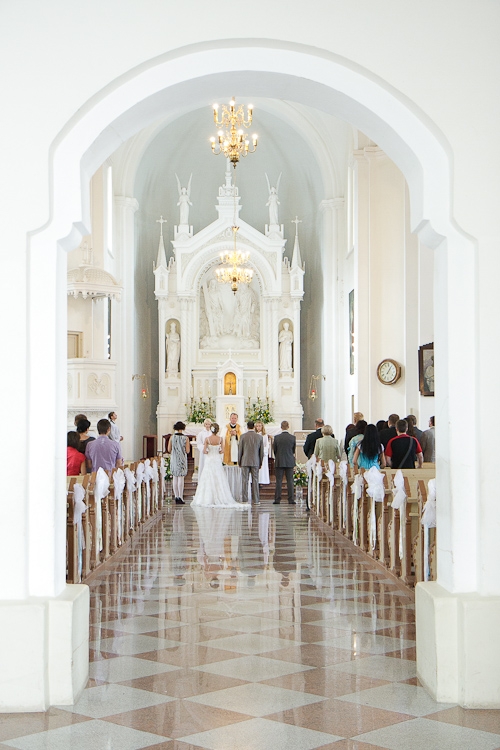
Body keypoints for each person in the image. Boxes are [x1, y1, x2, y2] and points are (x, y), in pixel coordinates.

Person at [191, 423, 243, 508]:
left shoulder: (207, 439)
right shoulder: (220, 439)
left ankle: (207, 498)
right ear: (218, 430)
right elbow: (222, 451)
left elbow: (204, 451)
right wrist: (217, 451)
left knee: (208, 477)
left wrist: (209, 451)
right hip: (217, 460)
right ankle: (221, 496)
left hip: (209, 460)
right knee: (219, 477)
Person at [238, 421, 264, 505]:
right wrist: (260, 462)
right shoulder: (259, 437)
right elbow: (261, 452)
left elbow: (240, 451)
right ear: (254, 427)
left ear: (247, 427)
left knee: (244, 480)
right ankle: (256, 500)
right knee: (255, 480)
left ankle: (244, 500)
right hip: (255, 461)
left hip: (245, 461)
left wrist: (239, 461)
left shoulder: (243, 436)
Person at [273, 420, 296, 505]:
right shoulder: (292, 437)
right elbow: (293, 450)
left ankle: (277, 499)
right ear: (288, 427)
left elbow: (274, 449)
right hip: (289, 461)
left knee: (279, 481)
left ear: (281, 427)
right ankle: (291, 499)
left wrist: (278, 456)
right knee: (290, 480)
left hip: (279, 460)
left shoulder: (276, 437)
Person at [167, 421, 190, 504]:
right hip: (182, 459)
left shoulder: (172, 437)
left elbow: (169, 450)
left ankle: (176, 496)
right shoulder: (186, 438)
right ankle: (181, 497)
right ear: (183, 428)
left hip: (174, 458)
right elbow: (187, 451)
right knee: (181, 477)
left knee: (175, 477)